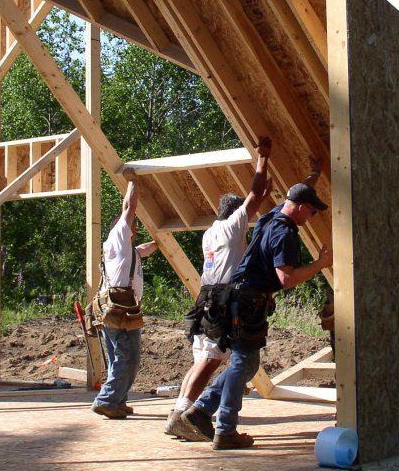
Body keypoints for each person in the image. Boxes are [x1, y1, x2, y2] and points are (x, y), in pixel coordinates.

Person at [180, 170, 332, 450]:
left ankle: (201, 410)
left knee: (247, 363)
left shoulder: (271, 216)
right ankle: (224, 429)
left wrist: (311, 176)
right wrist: (320, 264)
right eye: (311, 212)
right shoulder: (284, 232)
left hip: (240, 301)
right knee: (241, 364)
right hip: (246, 304)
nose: (311, 218)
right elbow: (286, 278)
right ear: (299, 208)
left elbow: (293, 193)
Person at [164, 136, 273, 439]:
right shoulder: (231, 226)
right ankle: (186, 415)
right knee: (211, 361)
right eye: (242, 214)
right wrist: (262, 160)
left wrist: (262, 193)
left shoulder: (211, 232)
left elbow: (253, 200)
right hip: (222, 302)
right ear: (234, 212)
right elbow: (251, 199)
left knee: (202, 359)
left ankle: (178, 411)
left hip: (206, 300)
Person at [91, 167, 158, 419]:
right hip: (118, 307)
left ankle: (117, 400)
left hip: (126, 309)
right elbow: (129, 208)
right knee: (124, 356)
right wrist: (132, 181)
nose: (134, 229)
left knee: (130, 358)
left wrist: (160, 240)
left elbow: (146, 249)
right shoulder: (118, 237)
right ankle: (106, 399)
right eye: (132, 228)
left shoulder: (129, 252)